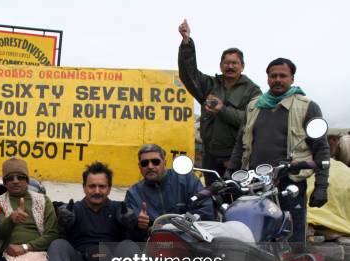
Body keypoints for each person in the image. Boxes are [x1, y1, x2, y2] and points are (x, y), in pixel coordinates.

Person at [228, 58, 330, 246]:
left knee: (292, 238)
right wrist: (230, 174)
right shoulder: (253, 106)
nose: (277, 79)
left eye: (283, 76)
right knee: (254, 236)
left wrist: (321, 186)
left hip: (290, 183)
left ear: (292, 79)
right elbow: (240, 144)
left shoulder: (307, 106)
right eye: (273, 75)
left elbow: (321, 149)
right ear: (267, 79)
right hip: (255, 183)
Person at [178, 19, 261, 184]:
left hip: (237, 158)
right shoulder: (209, 85)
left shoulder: (253, 90)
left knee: (235, 199)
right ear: (221, 65)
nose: (230, 66)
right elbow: (189, 74)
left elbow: (252, 121)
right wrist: (187, 43)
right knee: (213, 200)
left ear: (242, 66)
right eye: (226, 63)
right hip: (210, 157)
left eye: (234, 63)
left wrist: (222, 110)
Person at [125, 143, 214, 241]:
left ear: (165, 162)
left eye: (155, 162)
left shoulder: (186, 180)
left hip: (190, 241)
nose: (150, 166)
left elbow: (204, 211)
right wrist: (141, 227)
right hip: (154, 245)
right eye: (144, 163)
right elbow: (128, 231)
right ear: (139, 167)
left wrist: (177, 226)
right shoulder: (133, 194)